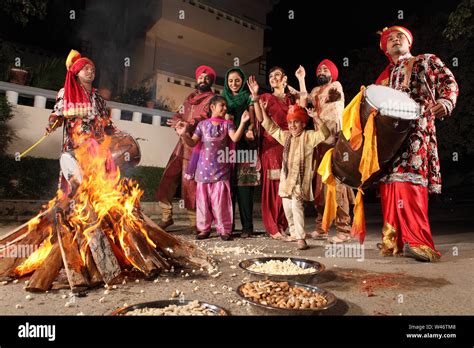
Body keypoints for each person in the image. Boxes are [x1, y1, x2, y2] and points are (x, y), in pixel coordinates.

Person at [375, 25, 458, 262]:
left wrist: (445, 100)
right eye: (389, 39)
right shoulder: (384, 77)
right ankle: (393, 241)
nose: (395, 39)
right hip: (389, 136)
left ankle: (419, 241)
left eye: (400, 36)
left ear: (409, 42)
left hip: (416, 129)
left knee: (409, 179)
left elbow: (448, 81)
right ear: (385, 49)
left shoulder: (426, 60)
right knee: (390, 183)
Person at [175, 95, 250, 241]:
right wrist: (184, 134)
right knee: (202, 202)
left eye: (225, 106)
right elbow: (192, 143)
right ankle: (204, 229)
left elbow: (234, 138)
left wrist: (242, 123)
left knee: (221, 202)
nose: (225, 108)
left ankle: (224, 230)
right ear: (212, 107)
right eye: (222, 105)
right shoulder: (202, 125)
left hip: (221, 171)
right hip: (203, 171)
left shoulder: (228, 124)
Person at [296, 60, 355, 243]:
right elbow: (304, 104)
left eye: (325, 69)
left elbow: (332, 103)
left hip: (336, 141)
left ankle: (344, 229)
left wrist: (312, 108)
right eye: (319, 68)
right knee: (320, 187)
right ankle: (321, 227)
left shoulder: (335, 86)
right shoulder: (314, 91)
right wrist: (301, 79)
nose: (322, 70)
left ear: (333, 74)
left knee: (338, 186)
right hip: (320, 143)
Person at [258, 102, 329, 250]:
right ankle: (295, 233)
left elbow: (325, 134)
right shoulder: (287, 137)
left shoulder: (309, 137)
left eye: (296, 122)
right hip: (286, 181)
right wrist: (264, 111)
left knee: (297, 207)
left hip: (300, 181)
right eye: (290, 122)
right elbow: (271, 128)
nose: (292, 125)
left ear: (303, 123)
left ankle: (301, 238)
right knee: (288, 209)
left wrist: (316, 117)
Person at [45, 49, 118, 192]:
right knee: (75, 189)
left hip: (98, 146)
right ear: (77, 72)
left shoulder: (98, 98)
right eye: (86, 69)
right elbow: (57, 115)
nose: (91, 72)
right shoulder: (66, 92)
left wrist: (114, 133)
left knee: (97, 189)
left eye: (93, 70)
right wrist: (51, 124)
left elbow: (105, 120)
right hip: (75, 146)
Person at [155, 66, 216, 232]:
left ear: (211, 81)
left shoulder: (212, 100)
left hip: (197, 147)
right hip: (181, 146)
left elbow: (204, 118)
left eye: (207, 78)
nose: (203, 80)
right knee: (167, 178)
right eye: (201, 77)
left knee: (191, 185)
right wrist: (176, 121)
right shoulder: (189, 99)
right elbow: (179, 115)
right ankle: (166, 217)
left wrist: (187, 124)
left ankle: (195, 223)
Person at [247, 67, 296, 241]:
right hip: (271, 145)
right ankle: (273, 227)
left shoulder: (292, 99)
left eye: (277, 75)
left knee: (287, 186)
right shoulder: (266, 97)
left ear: (285, 78)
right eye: (270, 76)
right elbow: (261, 119)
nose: (273, 78)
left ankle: (283, 225)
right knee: (274, 186)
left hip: (290, 145)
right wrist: (255, 96)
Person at [222, 67, 259, 238]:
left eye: (237, 80)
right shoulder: (223, 98)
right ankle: (228, 227)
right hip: (226, 146)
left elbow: (252, 120)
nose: (234, 84)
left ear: (242, 81)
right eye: (230, 81)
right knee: (228, 188)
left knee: (245, 189)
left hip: (245, 145)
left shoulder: (248, 97)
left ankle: (247, 227)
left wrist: (249, 130)